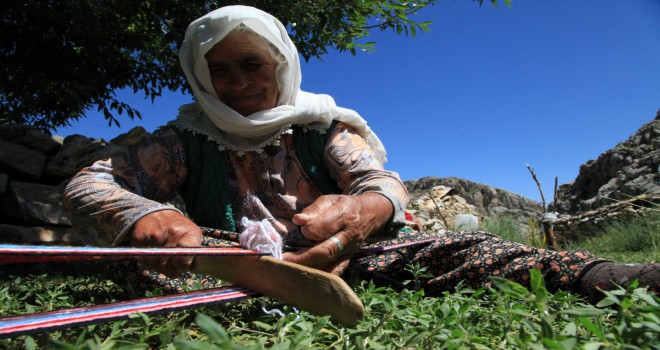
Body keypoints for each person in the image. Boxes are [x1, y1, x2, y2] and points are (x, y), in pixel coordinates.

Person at [63, 5, 657, 305]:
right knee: (126, 258)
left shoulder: (322, 128)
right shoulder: (182, 140)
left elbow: (384, 183)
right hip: (231, 262)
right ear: (199, 78)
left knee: (456, 250)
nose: (239, 84)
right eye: (219, 71)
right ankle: (252, 288)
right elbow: (90, 183)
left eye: (253, 66)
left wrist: (356, 220)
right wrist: (147, 215)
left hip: (346, 259)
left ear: (282, 67)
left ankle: (611, 278)